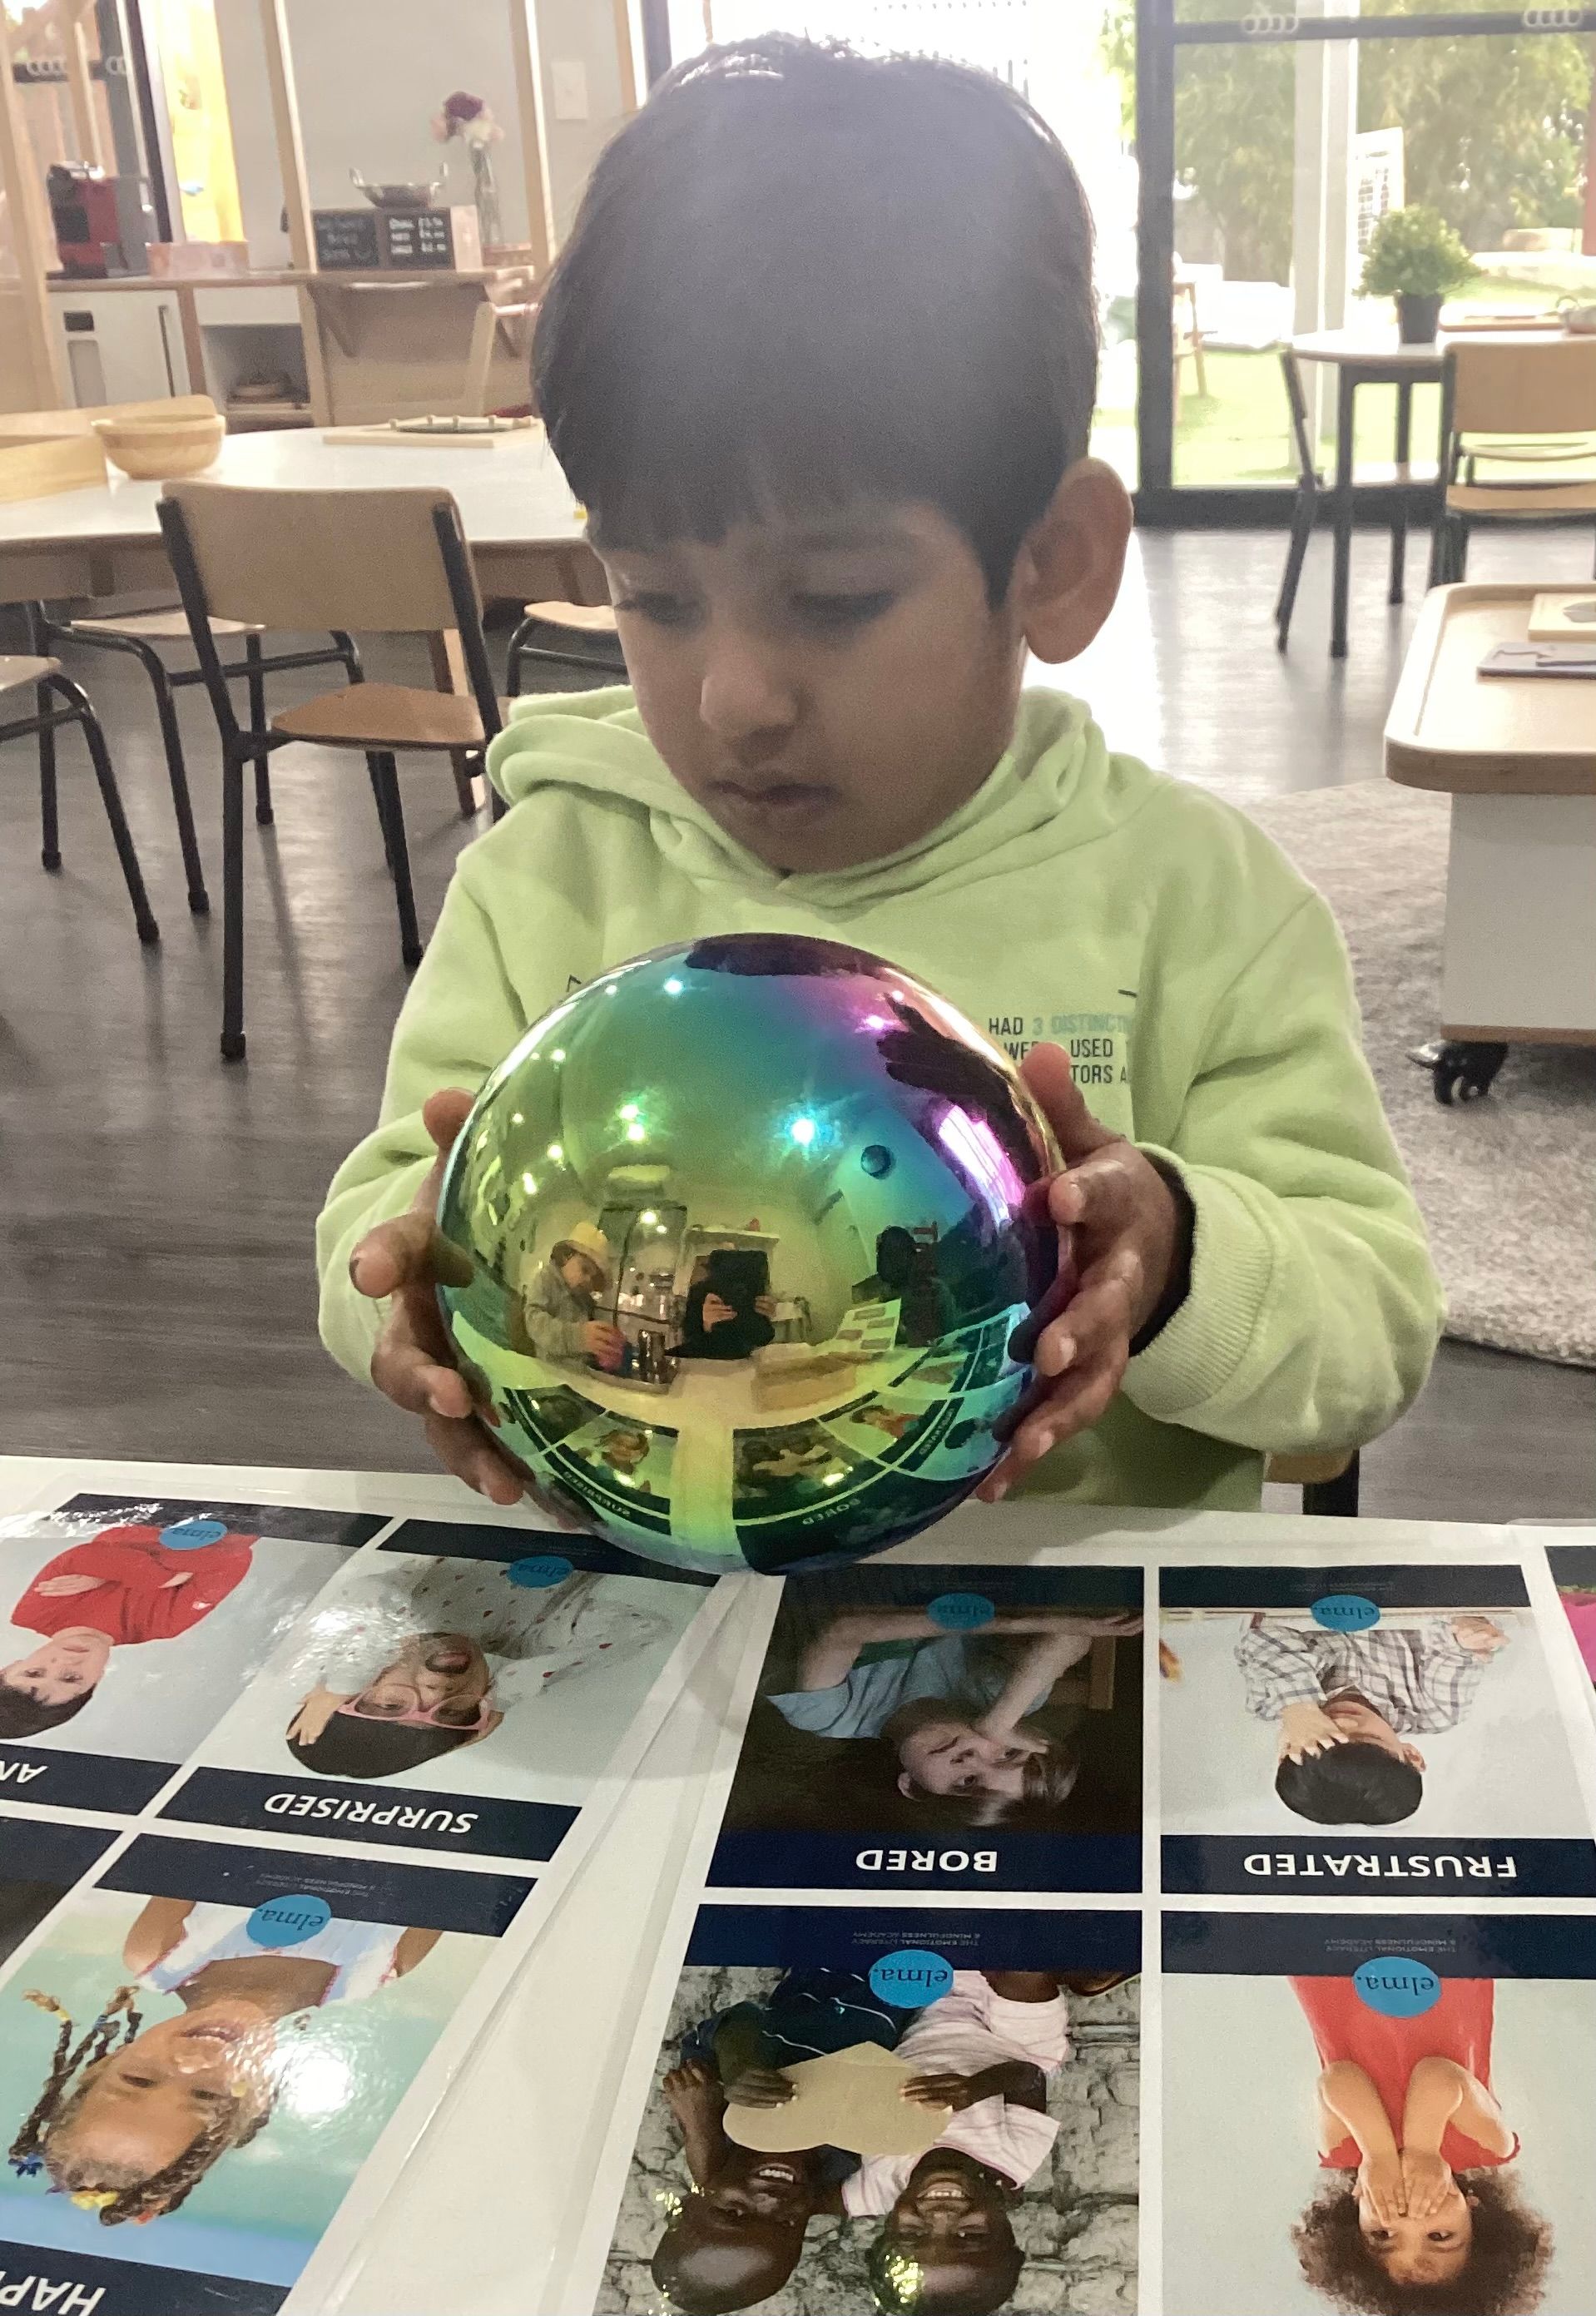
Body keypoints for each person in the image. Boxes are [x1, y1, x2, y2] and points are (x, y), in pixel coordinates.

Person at [315, 37, 1442, 1522]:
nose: (731, 693)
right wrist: (410, 1289)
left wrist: (1172, 1253)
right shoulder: (550, 880)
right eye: (652, 598)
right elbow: (383, 1200)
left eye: (834, 597)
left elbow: (1368, 1324)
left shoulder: (1196, 905)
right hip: (645, 1631)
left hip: (1062, 1655)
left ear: (1047, 564)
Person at [7, 1897, 438, 2226]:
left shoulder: (159, 1950)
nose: (192, 2062)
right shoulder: (379, 1966)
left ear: (108, 2061)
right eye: (207, 2094)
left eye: (139, 2079)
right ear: (256, 2100)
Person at [1290, 1974, 1551, 2314]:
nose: (1410, 2218)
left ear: (1355, 2208)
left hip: (1339, 1979)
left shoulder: (1345, 2153)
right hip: (1444, 1974)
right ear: (1476, 2211)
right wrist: (1422, 2151)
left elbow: (1338, 2078)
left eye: (1382, 2235)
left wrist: (1378, 2154)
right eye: (1440, 2236)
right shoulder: (1490, 2148)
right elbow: (1437, 2075)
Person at [652, 1970, 908, 2313]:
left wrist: (738, 2069)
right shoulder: (850, 2165)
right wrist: (703, 2145)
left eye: (735, 2211)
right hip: (917, 1980)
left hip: (830, 1961)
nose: (772, 2201)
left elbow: (735, 2019)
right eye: (787, 2223)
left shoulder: (716, 2105)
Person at [284, 1558, 667, 1779]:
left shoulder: (411, 1604)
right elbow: (640, 1627)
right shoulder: (528, 1642)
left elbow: (370, 1595)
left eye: (390, 1705)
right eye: (451, 1712)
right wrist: (504, 1693)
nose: (436, 1695)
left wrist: (342, 1680)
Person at [768, 1605, 1138, 1825]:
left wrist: (1012, 1623)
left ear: (911, 1786)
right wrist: (1000, 1719)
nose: (971, 1758)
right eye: (1008, 1753)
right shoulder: (994, 1700)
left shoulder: (831, 1717)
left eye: (966, 1782)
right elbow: (1071, 1637)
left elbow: (846, 1628)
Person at [848, 1970, 1070, 2316]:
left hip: (913, 2024)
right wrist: (974, 2089)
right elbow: (1029, 2077)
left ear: (886, 2229)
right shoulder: (1014, 2158)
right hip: (1004, 2039)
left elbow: (803, 2203)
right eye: (970, 2235)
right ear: (1005, 2226)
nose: (940, 2217)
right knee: (1026, 1975)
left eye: (912, 2236)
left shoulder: (878, 2188)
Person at [1237, 1613, 1510, 1827]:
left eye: (1323, 1738)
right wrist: (1467, 1634)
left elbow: (1265, 1636)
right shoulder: (1436, 1710)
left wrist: (1299, 1708)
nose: (1346, 1724)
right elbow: (1453, 1645)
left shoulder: (1271, 1703)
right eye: (1369, 1738)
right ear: (1411, 1755)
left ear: (1289, 1749)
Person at [0, 1520, 255, 1743]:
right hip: (234, 1525)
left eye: (35, 1672)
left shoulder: (33, 1614)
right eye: (71, 1678)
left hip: (150, 1505)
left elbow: (80, 1556)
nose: (65, 1662)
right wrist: (116, 1572)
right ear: (96, 1681)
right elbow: (234, 1558)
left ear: (9, 1668)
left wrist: (165, 1576)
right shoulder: (163, 1625)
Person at [509, 1222, 624, 1371]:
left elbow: (584, 1344)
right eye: (585, 1269)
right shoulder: (546, 1279)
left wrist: (600, 1353)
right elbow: (534, 1321)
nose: (589, 1280)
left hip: (576, 1374)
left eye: (593, 1277)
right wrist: (578, 1338)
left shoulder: (585, 1300)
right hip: (547, 1370)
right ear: (565, 1257)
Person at [855, 1228, 959, 1350]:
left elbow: (951, 1340)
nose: (892, 1263)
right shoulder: (885, 1299)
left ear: (911, 1255)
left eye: (898, 1254)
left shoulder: (935, 1291)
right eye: (887, 1256)